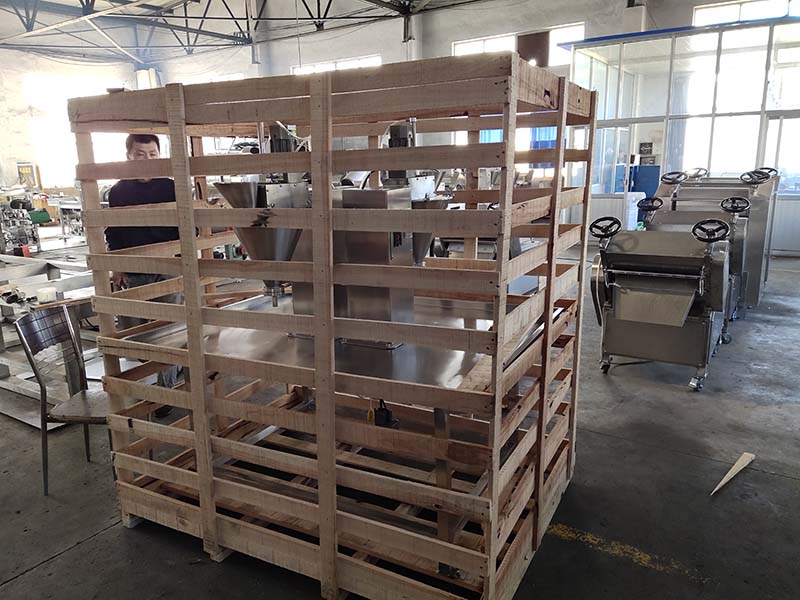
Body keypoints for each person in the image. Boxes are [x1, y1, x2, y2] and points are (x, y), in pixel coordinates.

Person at [105, 134, 181, 417]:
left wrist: (183, 258)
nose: (147, 159)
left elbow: (186, 225)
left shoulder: (171, 187)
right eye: (140, 154)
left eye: (152, 154)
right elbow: (113, 231)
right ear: (129, 156)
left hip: (168, 266)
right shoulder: (118, 192)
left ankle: (165, 391)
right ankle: (170, 368)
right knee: (138, 333)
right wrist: (117, 266)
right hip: (135, 268)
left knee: (169, 327)